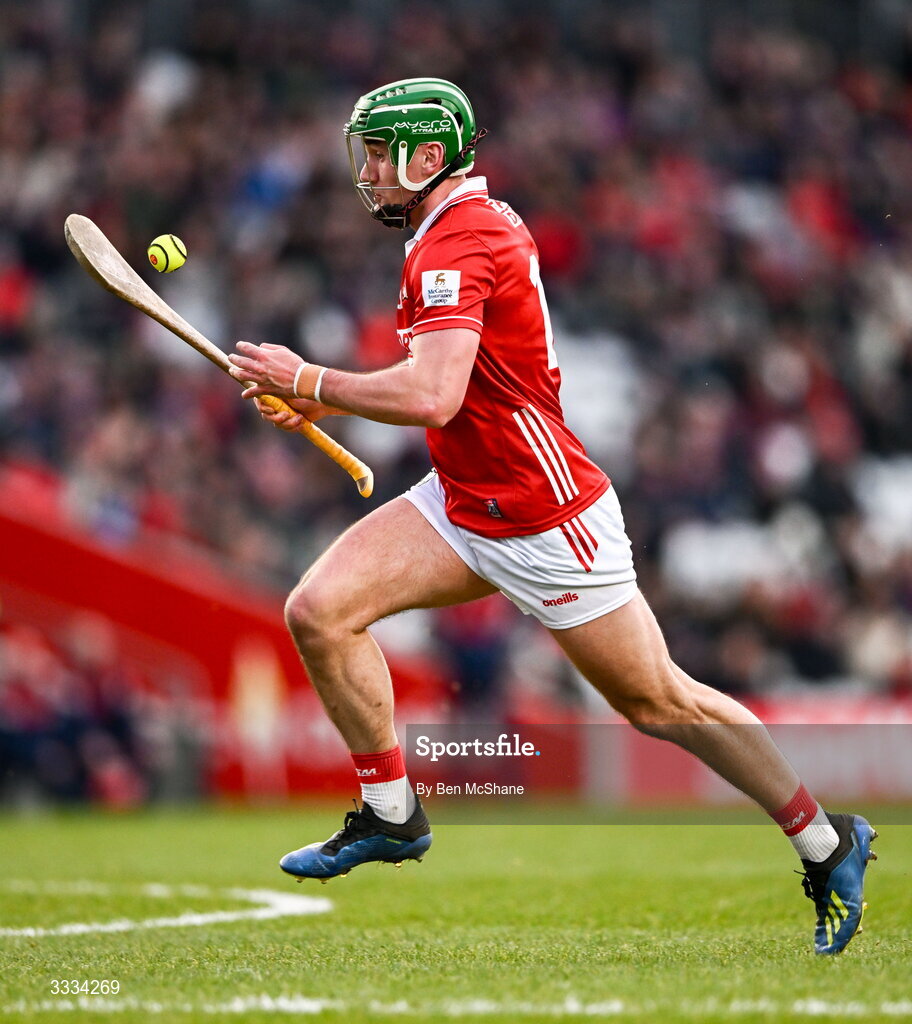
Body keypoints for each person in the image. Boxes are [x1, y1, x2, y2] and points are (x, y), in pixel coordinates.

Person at [227, 77, 876, 955]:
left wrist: (309, 381)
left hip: (545, 516)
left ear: (427, 156)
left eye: (380, 153)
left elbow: (433, 392)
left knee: (660, 703)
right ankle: (392, 814)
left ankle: (828, 841)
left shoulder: (460, 237)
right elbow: (455, 392)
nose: (368, 170)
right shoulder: (448, 228)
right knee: (319, 611)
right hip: (462, 500)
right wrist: (323, 404)